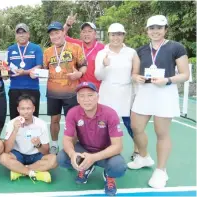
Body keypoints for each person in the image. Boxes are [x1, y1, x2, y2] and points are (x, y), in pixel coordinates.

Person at [128, 15, 190, 189]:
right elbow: (134, 73)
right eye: (152, 28)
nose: (155, 31)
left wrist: (168, 80)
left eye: (159, 28)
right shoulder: (140, 50)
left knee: (161, 132)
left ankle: (161, 170)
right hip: (145, 92)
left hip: (165, 93)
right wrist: (136, 77)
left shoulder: (176, 47)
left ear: (165, 29)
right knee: (136, 127)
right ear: (147, 30)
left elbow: (185, 74)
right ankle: (144, 156)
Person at [57, 82, 126, 196]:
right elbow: (67, 140)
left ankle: (109, 175)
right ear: (78, 99)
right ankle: (86, 167)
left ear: (97, 97)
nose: (86, 100)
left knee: (118, 167)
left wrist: (93, 157)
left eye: (90, 95)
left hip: (105, 152)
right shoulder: (72, 113)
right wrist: (73, 154)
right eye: (82, 96)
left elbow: (118, 146)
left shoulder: (110, 113)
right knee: (62, 158)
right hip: (85, 149)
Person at [95, 23, 140, 160]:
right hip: (107, 92)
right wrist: (103, 64)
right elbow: (98, 76)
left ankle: (138, 151)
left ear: (124, 35)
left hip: (126, 93)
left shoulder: (131, 52)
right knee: (104, 123)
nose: (116, 37)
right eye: (113, 34)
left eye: (119, 34)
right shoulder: (102, 53)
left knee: (131, 125)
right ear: (108, 35)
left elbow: (135, 74)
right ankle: (103, 151)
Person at [42, 21, 87, 154]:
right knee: (54, 120)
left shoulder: (75, 48)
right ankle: (54, 144)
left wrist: (79, 73)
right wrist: (36, 72)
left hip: (72, 93)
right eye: (52, 34)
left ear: (63, 32)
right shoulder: (48, 52)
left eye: (57, 33)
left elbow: (84, 65)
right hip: (53, 93)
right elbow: (44, 69)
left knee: (73, 121)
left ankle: (72, 147)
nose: (55, 36)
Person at [0, 95, 57, 183]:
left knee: (55, 160)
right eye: (22, 109)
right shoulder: (12, 123)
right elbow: (6, 150)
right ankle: (32, 172)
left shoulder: (41, 124)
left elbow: (45, 152)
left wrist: (38, 145)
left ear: (33, 109)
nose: (26, 112)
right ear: (18, 109)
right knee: (3, 158)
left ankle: (20, 171)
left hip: (36, 156)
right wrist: (15, 130)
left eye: (28, 108)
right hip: (18, 155)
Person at [7, 23, 43, 120]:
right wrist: (5, 72)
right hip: (15, 89)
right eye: (18, 33)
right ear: (15, 35)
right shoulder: (10, 49)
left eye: (24, 32)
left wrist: (24, 72)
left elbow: (39, 66)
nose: (21, 35)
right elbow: (7, 67)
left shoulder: (36, 48)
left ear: (28, 34)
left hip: (32, 88)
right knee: (15, 119)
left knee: (32, 119)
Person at [63, 12, 104, 90]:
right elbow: (62, 36)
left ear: (95, 34)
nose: (86, 34)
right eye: (84, 32)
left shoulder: (102, 48)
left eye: (89, 31)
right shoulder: (77, 44)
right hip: (79, 87)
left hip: (96, 88)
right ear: (80, 34)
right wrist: (67, 25)